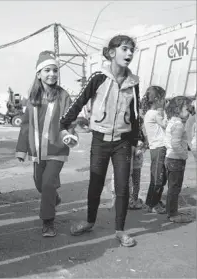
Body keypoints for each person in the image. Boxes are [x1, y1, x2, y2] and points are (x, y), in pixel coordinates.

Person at [60, 35, 141, 247]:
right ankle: (89, 221)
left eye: (132, 50)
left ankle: (120, 230)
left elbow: (135, 113)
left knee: (123, 187)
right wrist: (64, 123)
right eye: (125, 49)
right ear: (112, 52)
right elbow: (79, 101)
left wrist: (137, 141)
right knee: (96, 183)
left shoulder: (134, 82)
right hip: (100, 140)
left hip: (123, 141)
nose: (129, 54)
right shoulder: (98, 77)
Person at [16, 51, 76, 237]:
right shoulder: (32, 97)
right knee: (40, 184)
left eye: (55, 70)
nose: (52, 74)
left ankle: (48, 222)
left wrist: (70, 135)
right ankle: (54, 198)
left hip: (57, 148)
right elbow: (26, 124)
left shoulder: (64, 95)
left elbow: (70, 119)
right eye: (47, 70)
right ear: (38, 74)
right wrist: (21, 149)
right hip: (37, 150)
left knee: (48, 183)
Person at [164, 96, 193, 223]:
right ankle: (173, 213)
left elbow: (168, 142)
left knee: (172, 187)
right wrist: (183, 155)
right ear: (178, 109)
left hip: (170, 157)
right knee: (175, 188)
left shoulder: (172, 121)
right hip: (176, 159)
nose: (190, 111)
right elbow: (175, 143)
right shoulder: (179, 125)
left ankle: (171, 210)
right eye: (187, 109)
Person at [142, 86, 168, 214]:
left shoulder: (149, 113)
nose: (164, 101)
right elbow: (166, 125)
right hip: (159, 147)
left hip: (156, 148)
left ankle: (151, 202)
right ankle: (153, 204)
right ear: (158, 99)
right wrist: (166, 111)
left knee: (158, 176)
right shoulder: (155, 113)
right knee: (159, 178)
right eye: (163, 98)